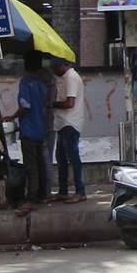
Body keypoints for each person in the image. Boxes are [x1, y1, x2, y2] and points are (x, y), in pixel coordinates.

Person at [6, 50, 51, 214]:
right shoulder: (43, 84)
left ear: (26, 64)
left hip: (29, 129)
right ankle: (41, 194)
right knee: (40, 163)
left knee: (31, 164)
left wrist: (12, 116)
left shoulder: (25, 82)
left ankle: (31, 197)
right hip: (40, 127)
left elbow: (25, 106)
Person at [51, 59, 87, 203]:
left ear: (61, 65)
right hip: (63, 123)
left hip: (69, 123)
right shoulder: (65, 78)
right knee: (61, 158)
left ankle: (80, 191)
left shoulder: (71, 78)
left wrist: (51, 104)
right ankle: (63, 191)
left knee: (73, 159)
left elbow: (69, 103)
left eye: (54, 67)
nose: (53, 71)